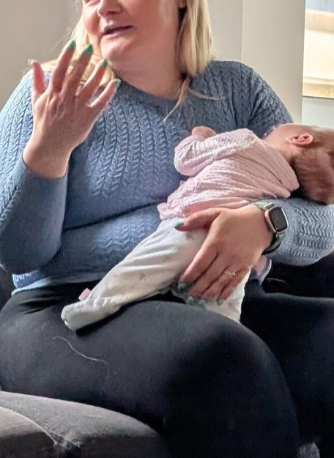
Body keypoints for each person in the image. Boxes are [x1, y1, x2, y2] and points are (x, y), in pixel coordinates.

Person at [0, 0, 334, 458]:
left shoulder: (235, 90)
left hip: (206, 296)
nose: (104, 6)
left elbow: (321, 213)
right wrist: (49, 149)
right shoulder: (51, 94)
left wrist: (264, 223)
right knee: (220, 352)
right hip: (64, 314)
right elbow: (15, 250)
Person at [62, 122, 334, 329]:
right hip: (232, 261)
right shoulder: (288, 188)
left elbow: (187, 159)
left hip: (191, 225)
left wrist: (200, 137)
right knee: (225, 314)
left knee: (142, 267)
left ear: (302, 137)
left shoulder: (246, 140)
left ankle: (94, 304)